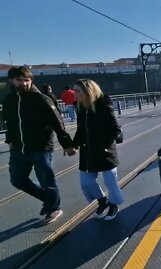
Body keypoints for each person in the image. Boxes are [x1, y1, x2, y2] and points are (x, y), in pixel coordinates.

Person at [3, 66, 76, 225]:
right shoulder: (9, 100)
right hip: (18, 149)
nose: (24, 83)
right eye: (20, 80)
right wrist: (9, 141)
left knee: (46, 180)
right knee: (17, 180)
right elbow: (10, 124)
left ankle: (54, 208)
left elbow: (57, 123)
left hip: (40, 147)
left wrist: (67, 144)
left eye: (27, 80)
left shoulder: (41, 99)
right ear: (12, 81)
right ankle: (49, 199)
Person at [73, 79, 124, 220]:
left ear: (87, 91)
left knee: (110, 181)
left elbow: (115, 129)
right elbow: (81, 130)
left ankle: (114, 205)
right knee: (86, 182)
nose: (74, 94)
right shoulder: (80, 107)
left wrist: (104, 145)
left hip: (104, 151)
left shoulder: (103, 105)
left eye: (77, 91)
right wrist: (74, 144)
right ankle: (102, 201)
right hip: (87, 151)